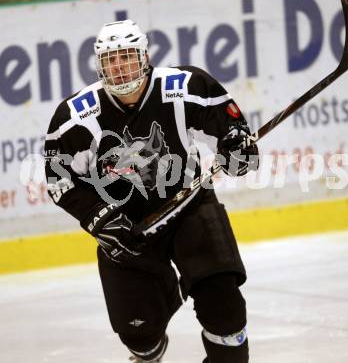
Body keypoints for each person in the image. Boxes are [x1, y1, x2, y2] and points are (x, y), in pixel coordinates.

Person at [44, 19, 259, 363]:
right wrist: (98, 217)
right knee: (139, 332)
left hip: (189, 205)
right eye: (110, 60)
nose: (119, 67)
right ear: (99, 66)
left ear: (145, 55)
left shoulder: (185, 85)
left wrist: (238, 147)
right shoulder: (74, 117)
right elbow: (59, 181)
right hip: (127, 227)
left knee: (225, 309)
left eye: (126, 56)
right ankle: (147, 353)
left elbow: (232, 130)